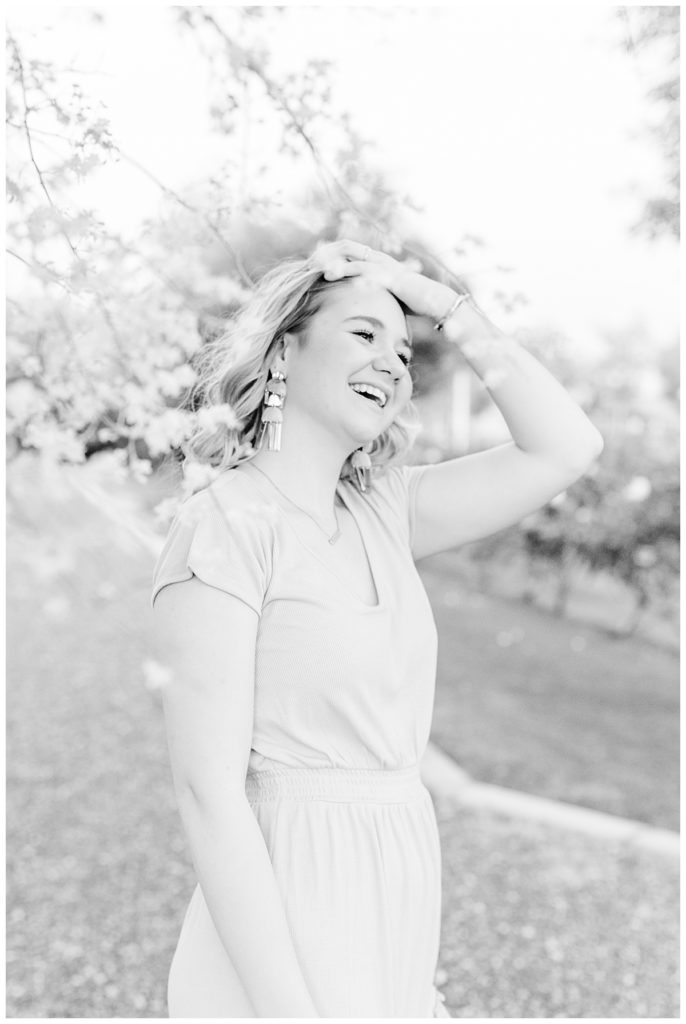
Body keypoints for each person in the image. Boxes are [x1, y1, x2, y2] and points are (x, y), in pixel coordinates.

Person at [150, 238, 604, 1018]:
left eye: (404, 351)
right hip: (287, 917)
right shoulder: (226, 525)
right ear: (283, 352)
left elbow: (568, 447)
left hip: (397, 887)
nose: (393, 364)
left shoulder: (386, 510)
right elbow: (208, 794)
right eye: (364, 334)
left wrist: (441, 304)